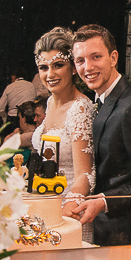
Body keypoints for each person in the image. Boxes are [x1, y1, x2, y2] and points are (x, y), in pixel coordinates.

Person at [67, 24, 131, 245]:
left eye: (96, 57)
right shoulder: (102, 100)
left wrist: (104, 201)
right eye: (80, 61)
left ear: (113, 58)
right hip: (110, 231)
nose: (88, 67)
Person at [29, 27, 95, 243]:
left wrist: (67, 210)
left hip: (70, 214)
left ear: (74, 68)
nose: (50, 74)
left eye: (58, 65)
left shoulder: (80, 109)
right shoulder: (49, 102)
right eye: (44, 67)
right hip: (44, 205)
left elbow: (85, 174)